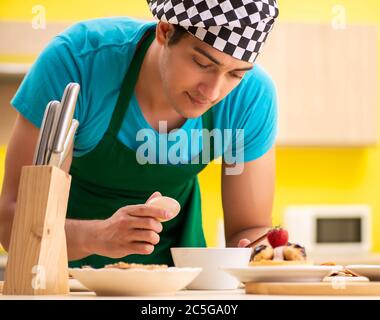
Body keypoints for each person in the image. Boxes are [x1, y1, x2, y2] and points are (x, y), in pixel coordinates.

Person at [0, 0, 279, 268]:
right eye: (202, 63)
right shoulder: (78, 63)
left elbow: (249, 231)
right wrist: (98, 236)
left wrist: (270, 251)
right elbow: (12, 222)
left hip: (176, 286)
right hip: (61, 278)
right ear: (165, 30)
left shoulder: (250, 98)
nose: (213, 92)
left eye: (236, 74)